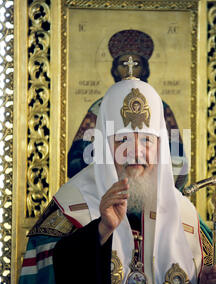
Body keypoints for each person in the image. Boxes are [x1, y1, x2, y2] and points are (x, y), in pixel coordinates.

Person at [17, 75, 216, 284]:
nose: (135, 151)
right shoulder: (70, 206)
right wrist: (100, 231)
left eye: (147, 140)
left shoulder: (185, 216)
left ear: (161, 147)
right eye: (122, 140)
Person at [68, 29, 188, 191]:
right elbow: (76, 159)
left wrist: (161, 180)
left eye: (136, 64)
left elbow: (178, 160)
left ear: (145, 69)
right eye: (122, 64)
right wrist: (104, 167)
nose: (128, 68)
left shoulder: (160, 108)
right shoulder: (100, 108)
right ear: (114, 69)